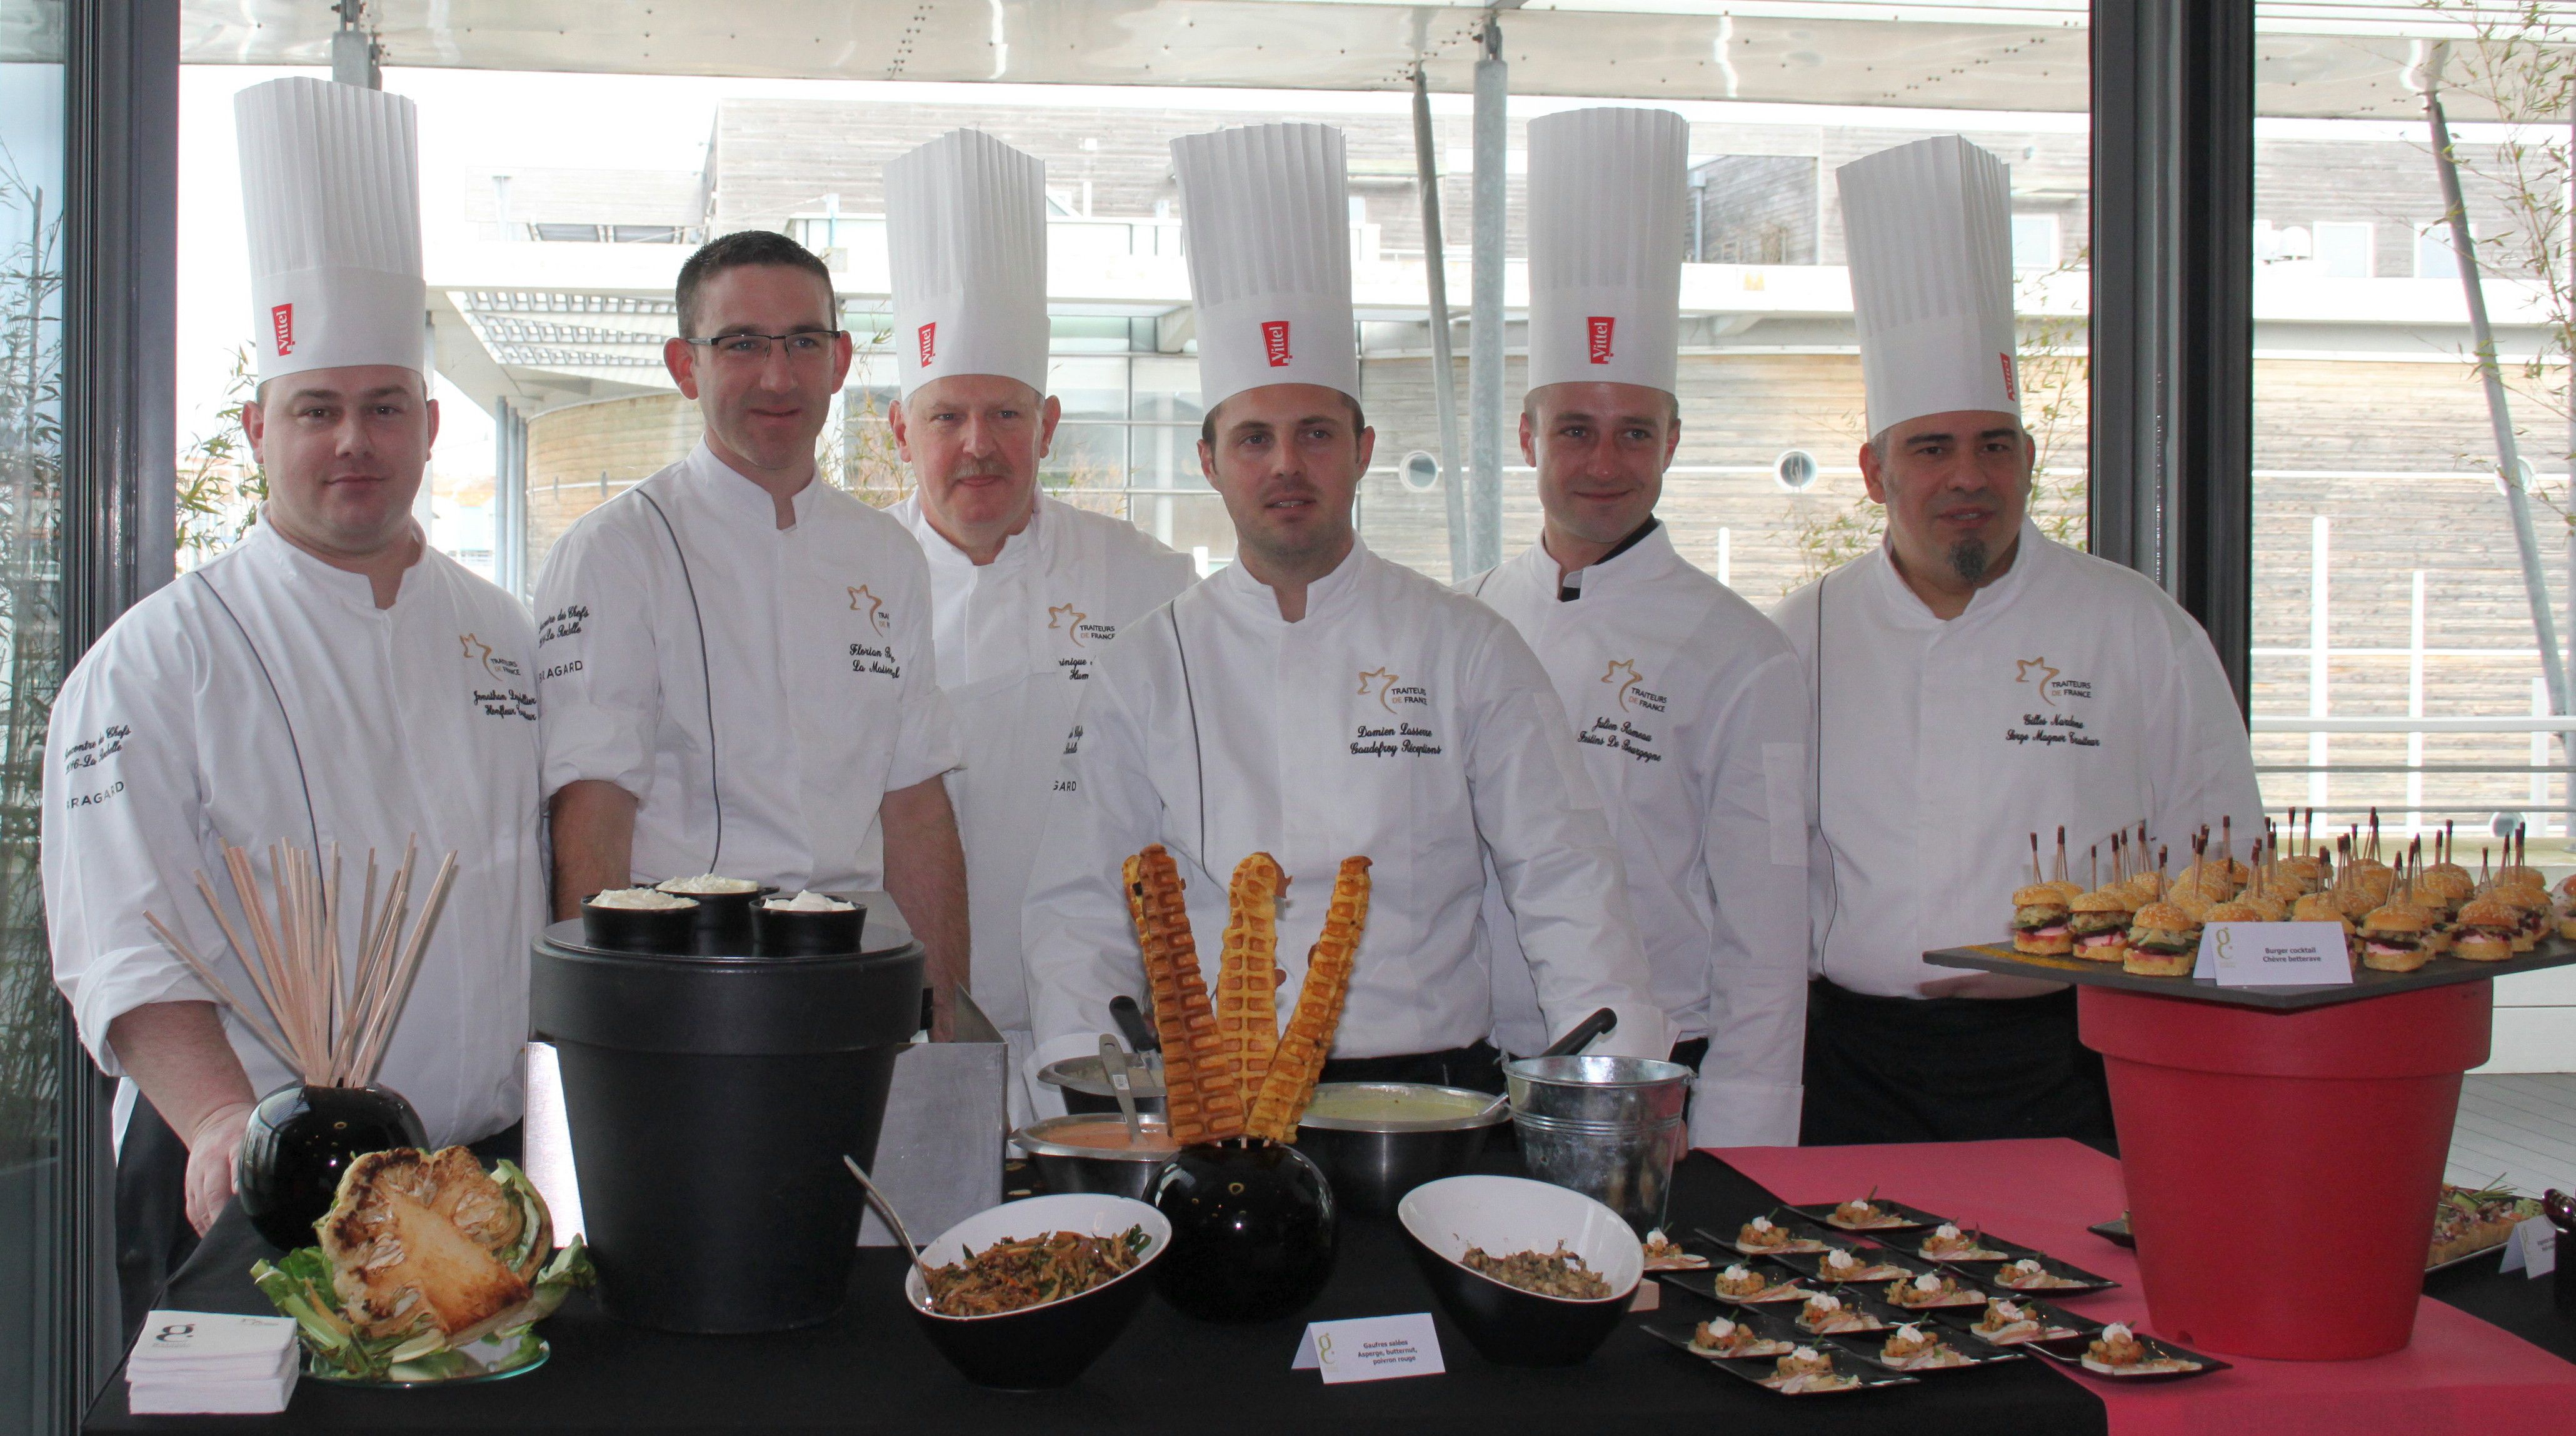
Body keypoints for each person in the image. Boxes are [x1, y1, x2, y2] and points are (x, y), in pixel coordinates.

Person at [43, 78, 546, 1332]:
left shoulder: (506, 634)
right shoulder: (150, 661)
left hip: (479, 1175)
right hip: (250, 1177)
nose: (351, 444)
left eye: (383, 408)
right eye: (316, 411)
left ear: (429, 427)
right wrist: (220, 1119)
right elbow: (121, 934)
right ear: (261, 426)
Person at [1022, 123, 1668, 1092]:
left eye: (1315, 433)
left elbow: (1564, 875)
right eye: (1254, 440)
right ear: (1209, 462)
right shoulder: (1149, 662)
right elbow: (1079, 902)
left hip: (1430, 1093)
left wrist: (1620, 1090)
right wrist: (1089, 1090)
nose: (1286, 466)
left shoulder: (1465, 647)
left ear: (1363, 449)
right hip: (1212, 1098)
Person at [1773, 135, 2263, 1145]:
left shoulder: (2134, 626)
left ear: (2028, 460)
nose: (1967, 477)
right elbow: (1759, 875)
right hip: (1850, 1065)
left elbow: (2224, 857)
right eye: (1932, 448)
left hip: (2071, 1057)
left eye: (1993, 445)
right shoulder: (1798, 637)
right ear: (1874, 472)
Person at [1468, 108, 1810, 1148]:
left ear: (1673, 441)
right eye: (1575, 429)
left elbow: (1770, 922)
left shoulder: (1746, 654)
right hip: (1482, 1065)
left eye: (1633, 433)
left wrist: (1742, 1132)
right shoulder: (1474, 616)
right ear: (1529, 434)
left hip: (1665, 1078)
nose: (1603, 463)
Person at [533, 230, 969, 1031]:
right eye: (740, 344)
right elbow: (593, 811)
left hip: (858, 984)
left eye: (803, 341)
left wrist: (943, 1018)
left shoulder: (886, 554)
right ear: (683, 365)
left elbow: (915, 807)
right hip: (684, 987)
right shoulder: (615, 550)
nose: (778, 375)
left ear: (839, 362)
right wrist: (601, 1030)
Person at [878, 130, 1195, 1117]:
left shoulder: (1148, 580)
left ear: (1048, 425)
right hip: (900, 1037)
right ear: (899, 431)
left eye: (1006, 416)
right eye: (947, 417)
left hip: (1104, 1045)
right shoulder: (845, 585)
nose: (979, 447)